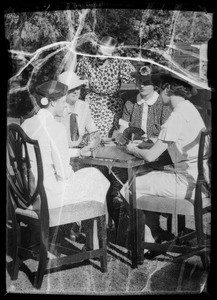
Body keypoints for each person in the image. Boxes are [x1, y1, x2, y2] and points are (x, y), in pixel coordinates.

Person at [122, 73, 209, 255]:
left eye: (160, 89)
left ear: (168, 88)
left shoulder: (176, 116)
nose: (160, 94)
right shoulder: (191, 109)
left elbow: (151, 156)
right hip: (201, 180)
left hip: (186, 184)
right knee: (145, 177)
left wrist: (132, 149)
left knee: (130, 186)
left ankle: (149, 239)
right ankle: (157, 234)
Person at [21, 80, 110, 233]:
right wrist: (73, 173)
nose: (66, 106)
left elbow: (44, 152)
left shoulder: (26, 124)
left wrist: (78, 152)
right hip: (49, 197)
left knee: (92, 177)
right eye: (63, 101)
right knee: (96, 177)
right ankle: (94, 241)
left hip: (28, 194)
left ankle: (87, 237)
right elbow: (63, 173)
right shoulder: (56, 128)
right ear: (53, 103)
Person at [108, 66, 172, 229]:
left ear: (155, 85)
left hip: (157, 155)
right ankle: (134, 227)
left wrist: (147, 141)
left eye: (147, 82)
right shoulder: (130, 103)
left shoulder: (163, 104)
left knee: (139, 182)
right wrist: (119, 137)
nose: (142, 85)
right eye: (140, 82)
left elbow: (166, 136)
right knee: (117, 179)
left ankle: (150, 228)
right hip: (134, 154)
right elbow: (122, 133)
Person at [76, 36, 136, 138]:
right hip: (92, 102)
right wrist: (83, 82)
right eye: (100, 53)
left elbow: (135, 77)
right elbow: (77, 78)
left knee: (106, 135)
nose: (102, 57)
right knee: (88, 132)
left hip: (111, 104)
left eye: (107, 55)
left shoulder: (119, 61)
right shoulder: (86, 60)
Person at [56, 71, 99, 149]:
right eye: (71, 89)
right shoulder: (57, 108)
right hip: (61, 150)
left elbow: (93, 131)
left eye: (77, 88)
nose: (75, 91)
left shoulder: (83, 106)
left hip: (80, 150)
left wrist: (91, 143)